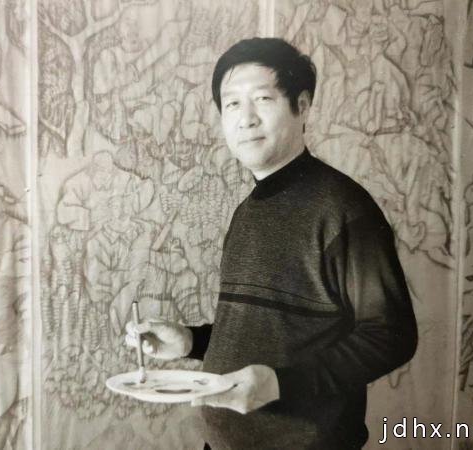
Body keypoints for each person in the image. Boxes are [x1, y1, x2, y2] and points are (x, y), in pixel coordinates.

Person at [125, 37, 418, 450]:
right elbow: (267, 334)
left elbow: (392, 335)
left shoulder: (344, 209)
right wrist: (191, 341)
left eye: (262, 99)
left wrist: (281, 384)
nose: (245, 119)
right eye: (232, 104)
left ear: (303, 106)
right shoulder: (247, 212)